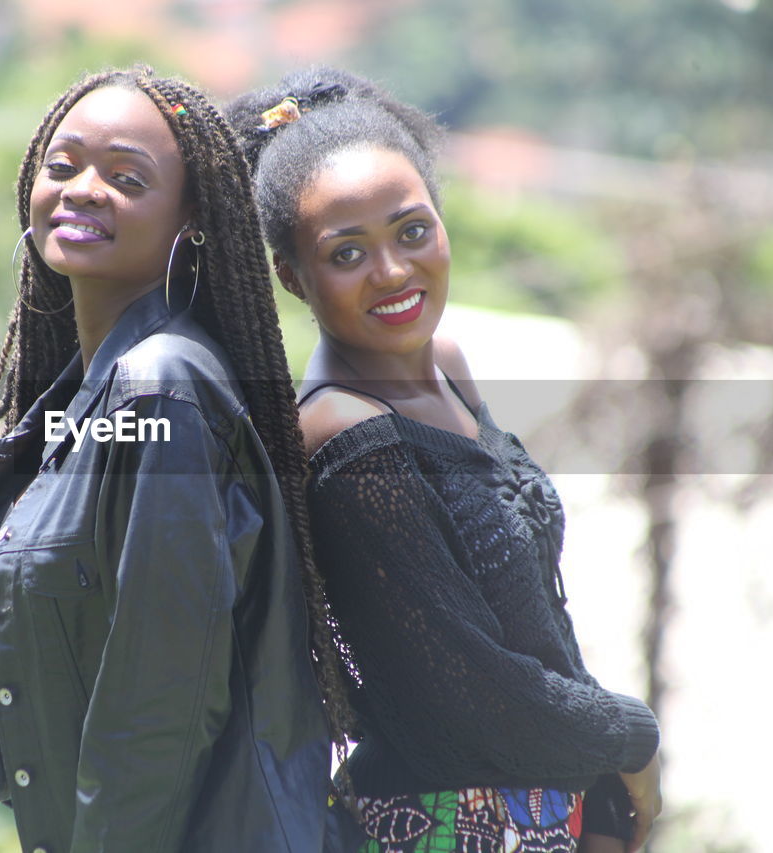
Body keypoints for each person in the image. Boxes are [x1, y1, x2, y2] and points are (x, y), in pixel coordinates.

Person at [0, 67, 355, 853]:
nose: (82, 189)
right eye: (63, 164)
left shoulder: (160, 390)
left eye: (126, 177)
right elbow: (126, 633)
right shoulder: (97, 394)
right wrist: (15, 716)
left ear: (192, 222)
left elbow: (160, 707)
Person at [226, 69, 663, 853]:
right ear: (293, 277)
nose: (392, 271)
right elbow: (480, 696)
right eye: (347, 252)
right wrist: (633, 738)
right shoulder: (346, 439)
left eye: (412, 231)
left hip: (538, 812)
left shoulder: (451, 366)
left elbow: (533, 619)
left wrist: (596, 800)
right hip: (439, 827)